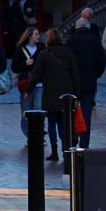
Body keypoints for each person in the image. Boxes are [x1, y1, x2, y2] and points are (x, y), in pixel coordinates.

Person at [28, 29, 79, 161]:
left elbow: (36, 74)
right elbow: (74, 74)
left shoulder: (44, 54)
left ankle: (54, 150)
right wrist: (77, 93)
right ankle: (65, 148)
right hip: (66, 91)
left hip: (50, 92)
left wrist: (28, 90)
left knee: (51, 123)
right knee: (63, 122)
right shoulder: (68, 52)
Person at [65, 18, 106, 148]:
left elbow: (66, 61)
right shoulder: (94, 40)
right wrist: (96, 75)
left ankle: (72, 140)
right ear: (88, 27)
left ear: (76, 27)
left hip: (73, 83)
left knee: (71, 113)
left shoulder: (70, 41)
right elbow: (102, 60)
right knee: (86, 115)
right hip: (89, 82)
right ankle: (84, 144)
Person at [11, 27, 43, 142]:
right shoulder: (20, 49)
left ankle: (40, 136)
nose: (38, 37)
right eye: (36, 34)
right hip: (26, 84)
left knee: (39, 110)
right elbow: (14, 66)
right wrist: (25, 63)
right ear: (30, 36)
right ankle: (29, 137)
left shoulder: (41, 48)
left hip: (39, 84)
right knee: (26, 111)